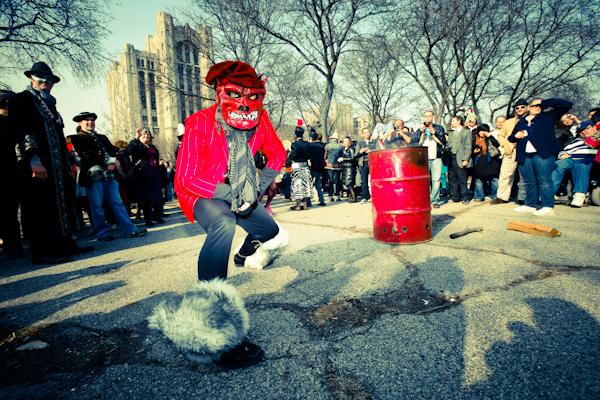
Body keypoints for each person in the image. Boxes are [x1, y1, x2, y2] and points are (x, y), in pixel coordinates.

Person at [155, 61, 288, 369]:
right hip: (205, 193)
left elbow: (278, 154)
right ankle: (213, 322)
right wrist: (232, 195)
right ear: (219, 92)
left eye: (252, 95)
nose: (244, 103)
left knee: (269, 232)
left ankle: (244, 252)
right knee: (224, 224)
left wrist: (254, 191)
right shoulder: (199, 123)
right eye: (234, 93)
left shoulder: (262, 120)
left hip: (243, 190)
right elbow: (184, 179)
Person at [9, 62, 93, 264]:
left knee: (61, 205)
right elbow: (21, 132)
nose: (47, 82)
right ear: (31, 78)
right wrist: (34, 160)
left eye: (51, 79)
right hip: (37, 166)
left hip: (57, 167)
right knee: (39, 206)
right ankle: (41, 252)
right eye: (41, 77)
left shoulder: (49, 104)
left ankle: (64, 243)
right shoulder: (22, 100)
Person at [70, 112, 147, 241]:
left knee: (118, 203)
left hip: (109, 177)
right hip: (94, 177)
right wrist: (110, 161)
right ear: (80, 123)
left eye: (92, 120)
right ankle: (102, 233)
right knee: (97, 206)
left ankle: (130, 230)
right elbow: (89, 155)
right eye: (87, 120)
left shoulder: (102, 137)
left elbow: (114, 150)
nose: (90, 122)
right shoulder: (77, 138)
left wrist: (114, 158)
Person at [508, 98, 573, 216]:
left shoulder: (549, 116)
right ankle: (530, 205)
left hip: (543, 153)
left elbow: (567, 104)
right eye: (534, 105)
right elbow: (511, 137)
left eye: (540, 106)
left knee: (544, 179)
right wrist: (515, 136)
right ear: (528, 107)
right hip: (525, 154)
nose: (537, 107)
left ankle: (548, 206)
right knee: (529, 181)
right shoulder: (522, 120)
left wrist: (544, 102)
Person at [0, 89, 24, 260]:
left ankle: (16, 244)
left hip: (18, 172)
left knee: (14, 211)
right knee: (8, 212)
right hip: (5, 174)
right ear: (9, 103)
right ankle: (12, 246)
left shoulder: (15, 123)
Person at [551, 121, 599, 207]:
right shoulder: (577, 141)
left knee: (581, 165)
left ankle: (579, 194)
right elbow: (564, 150)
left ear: (594, 127)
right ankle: (548, 194)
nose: (584, 131)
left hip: (590, 159)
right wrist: (562, 155)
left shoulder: (597, 138)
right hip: (571, 159)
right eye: (581, 131)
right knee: (557, 165)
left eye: (586, 128)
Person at [491, 99, 529, 205]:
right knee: (505, 174)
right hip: (511, 150)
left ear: (527, 107)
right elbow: (500, 135)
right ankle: (501, 196)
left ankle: (523, 197)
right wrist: (505, 145)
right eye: (517, 107)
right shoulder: (509, 122)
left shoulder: (532, 119)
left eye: (522, 107)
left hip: (526, 150)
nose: (519, 109)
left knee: (524, 175)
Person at [128, 128, 165, 226]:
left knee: (157, 195)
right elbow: (130, 150)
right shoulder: (137, 146)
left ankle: (157, 216)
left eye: (148, 134)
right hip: (143, 174)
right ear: (139, 136)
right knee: (146, 198)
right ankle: (148, 219)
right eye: (144, 134)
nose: (146, 136)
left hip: (154, 173)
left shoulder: (153, 147)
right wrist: (136, 137)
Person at [417, 109, 447, 208]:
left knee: (436, 179)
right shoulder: (420, 129)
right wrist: (421, 133)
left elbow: (443, 141)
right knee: (424, 180)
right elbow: (416, 143)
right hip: (424, 158)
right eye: (426, 116)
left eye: (430, 116)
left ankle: (435, 201)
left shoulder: (439, 128)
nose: (428, 118)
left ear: (433, 117)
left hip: (436, 157)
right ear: (423, 118)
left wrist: (434, 133)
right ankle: (424, 200)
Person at [446, 115, 472, 205]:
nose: (452, 122)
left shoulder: (466, 132)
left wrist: (465, 159)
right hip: (451, 157)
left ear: (459, 121)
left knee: (462, 178)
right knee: (452, 178)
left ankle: (464, 197)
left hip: (460, 158)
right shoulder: (451, 133)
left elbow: (468, 146)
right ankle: (454, 197)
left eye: (453, 121)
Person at [286, 120, 312, 210]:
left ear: (295, 135)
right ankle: (305, 205)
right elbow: (309, 155)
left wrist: (289, 155)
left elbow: (293, 156)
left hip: (297, 167)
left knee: (297, 185)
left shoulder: (295, 145)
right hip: (305, 166)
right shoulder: (307, 144)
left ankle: (298, 205)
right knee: (305, 185)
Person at [472, 125, 502, 202]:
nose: (482, 133)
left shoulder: (489, 138)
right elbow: (471, 148)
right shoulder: (474, 138)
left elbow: (497, 144)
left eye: (485, 131)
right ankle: (479, 196)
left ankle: (495, 195)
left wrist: (490, 136)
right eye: (481, 131)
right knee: (478, 179)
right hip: (479, 160)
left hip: (490, 160)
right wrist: (474, 152)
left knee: (494, 178)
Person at [355, 127, 377, 203]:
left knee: (374, 181)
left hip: (373, 164)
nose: (367, 134)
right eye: (365, 132)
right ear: (362, 134)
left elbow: (379, 151)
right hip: (363, 164)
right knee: (364, 181)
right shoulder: (360, 143)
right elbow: (355, 155)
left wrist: (372, 151)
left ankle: (376, 196)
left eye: (368, 132)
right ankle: (365, 196)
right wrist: (360, 152)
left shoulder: (374, 142)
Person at [308, 130, 327, 206]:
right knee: (318, 185)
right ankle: (322, 200)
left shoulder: (311, 146)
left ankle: (308, 201)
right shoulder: (322, 146)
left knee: (309, 184)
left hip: (314, 166)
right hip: (321, 166)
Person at [325, 132, 344, 201]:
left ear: (332, 139)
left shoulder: (327, 146)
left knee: (330, 180)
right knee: (337, 180)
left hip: (330, 165)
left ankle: (330, 195)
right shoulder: (341, 146)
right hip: (338, 165)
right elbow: (342, 155)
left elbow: (325, 155)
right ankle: (337, 195)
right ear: (337, 139)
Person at [338, 137, 357, 203]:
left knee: (349, 183)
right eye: (344, 141)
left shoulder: (351, 148)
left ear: (350, 142)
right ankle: (351, 197)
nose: (345, 143)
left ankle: (354, 197)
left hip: (350, 167)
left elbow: (352, 158)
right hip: (345, 167)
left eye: (346, 141)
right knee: (347, 183)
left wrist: (343, 159)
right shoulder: (344, 149)